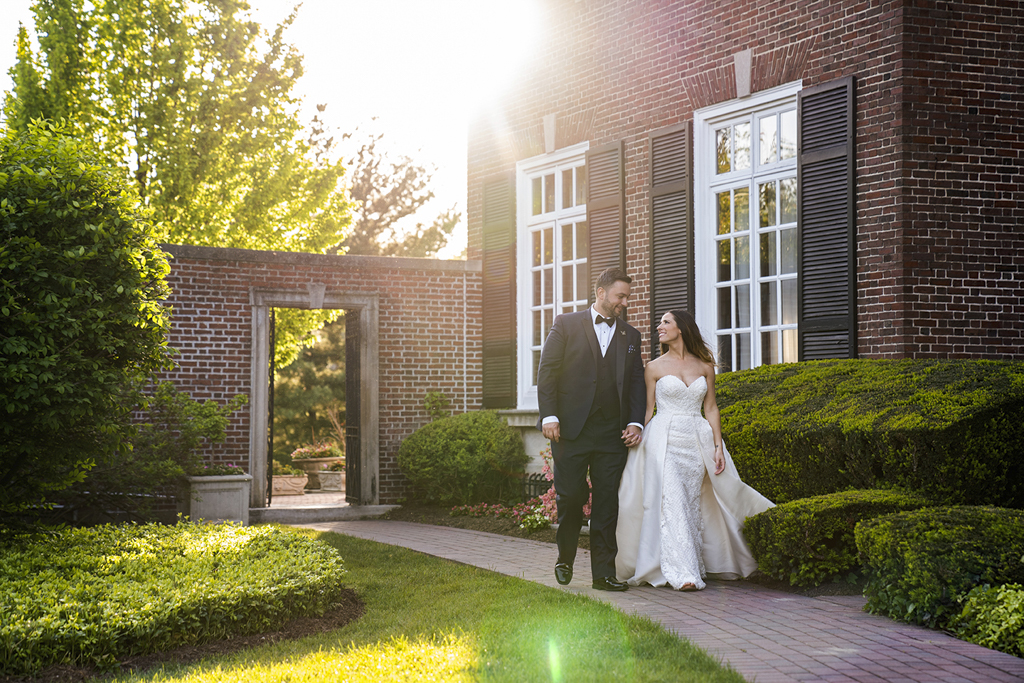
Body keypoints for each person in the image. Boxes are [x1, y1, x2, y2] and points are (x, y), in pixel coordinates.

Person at [615, 309, 773, 591]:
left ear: (682, 328)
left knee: (691, 502)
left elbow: (711, 408)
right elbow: (648, 409)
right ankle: (683, 573)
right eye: (660, 322)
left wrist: (717, 446)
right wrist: (637, 430)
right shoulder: (653, 367)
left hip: (696, 439)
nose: (659, 326)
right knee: (672, 499)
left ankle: (695, 563)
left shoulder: (705, 366)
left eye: (666, 322)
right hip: (663, 440)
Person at [536, 268, 646, 591]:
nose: (623, 303)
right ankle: (565, 557)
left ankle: (603, 574)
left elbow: (637, 383)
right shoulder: (566, 325)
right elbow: (547, 372)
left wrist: (635, 422)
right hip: (570, 430)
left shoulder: (630, 336)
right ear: (600, 292)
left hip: (612, 434)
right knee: (570, 498)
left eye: (626, 297)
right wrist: (549, 416)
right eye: (619, 296)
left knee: (607, 503)